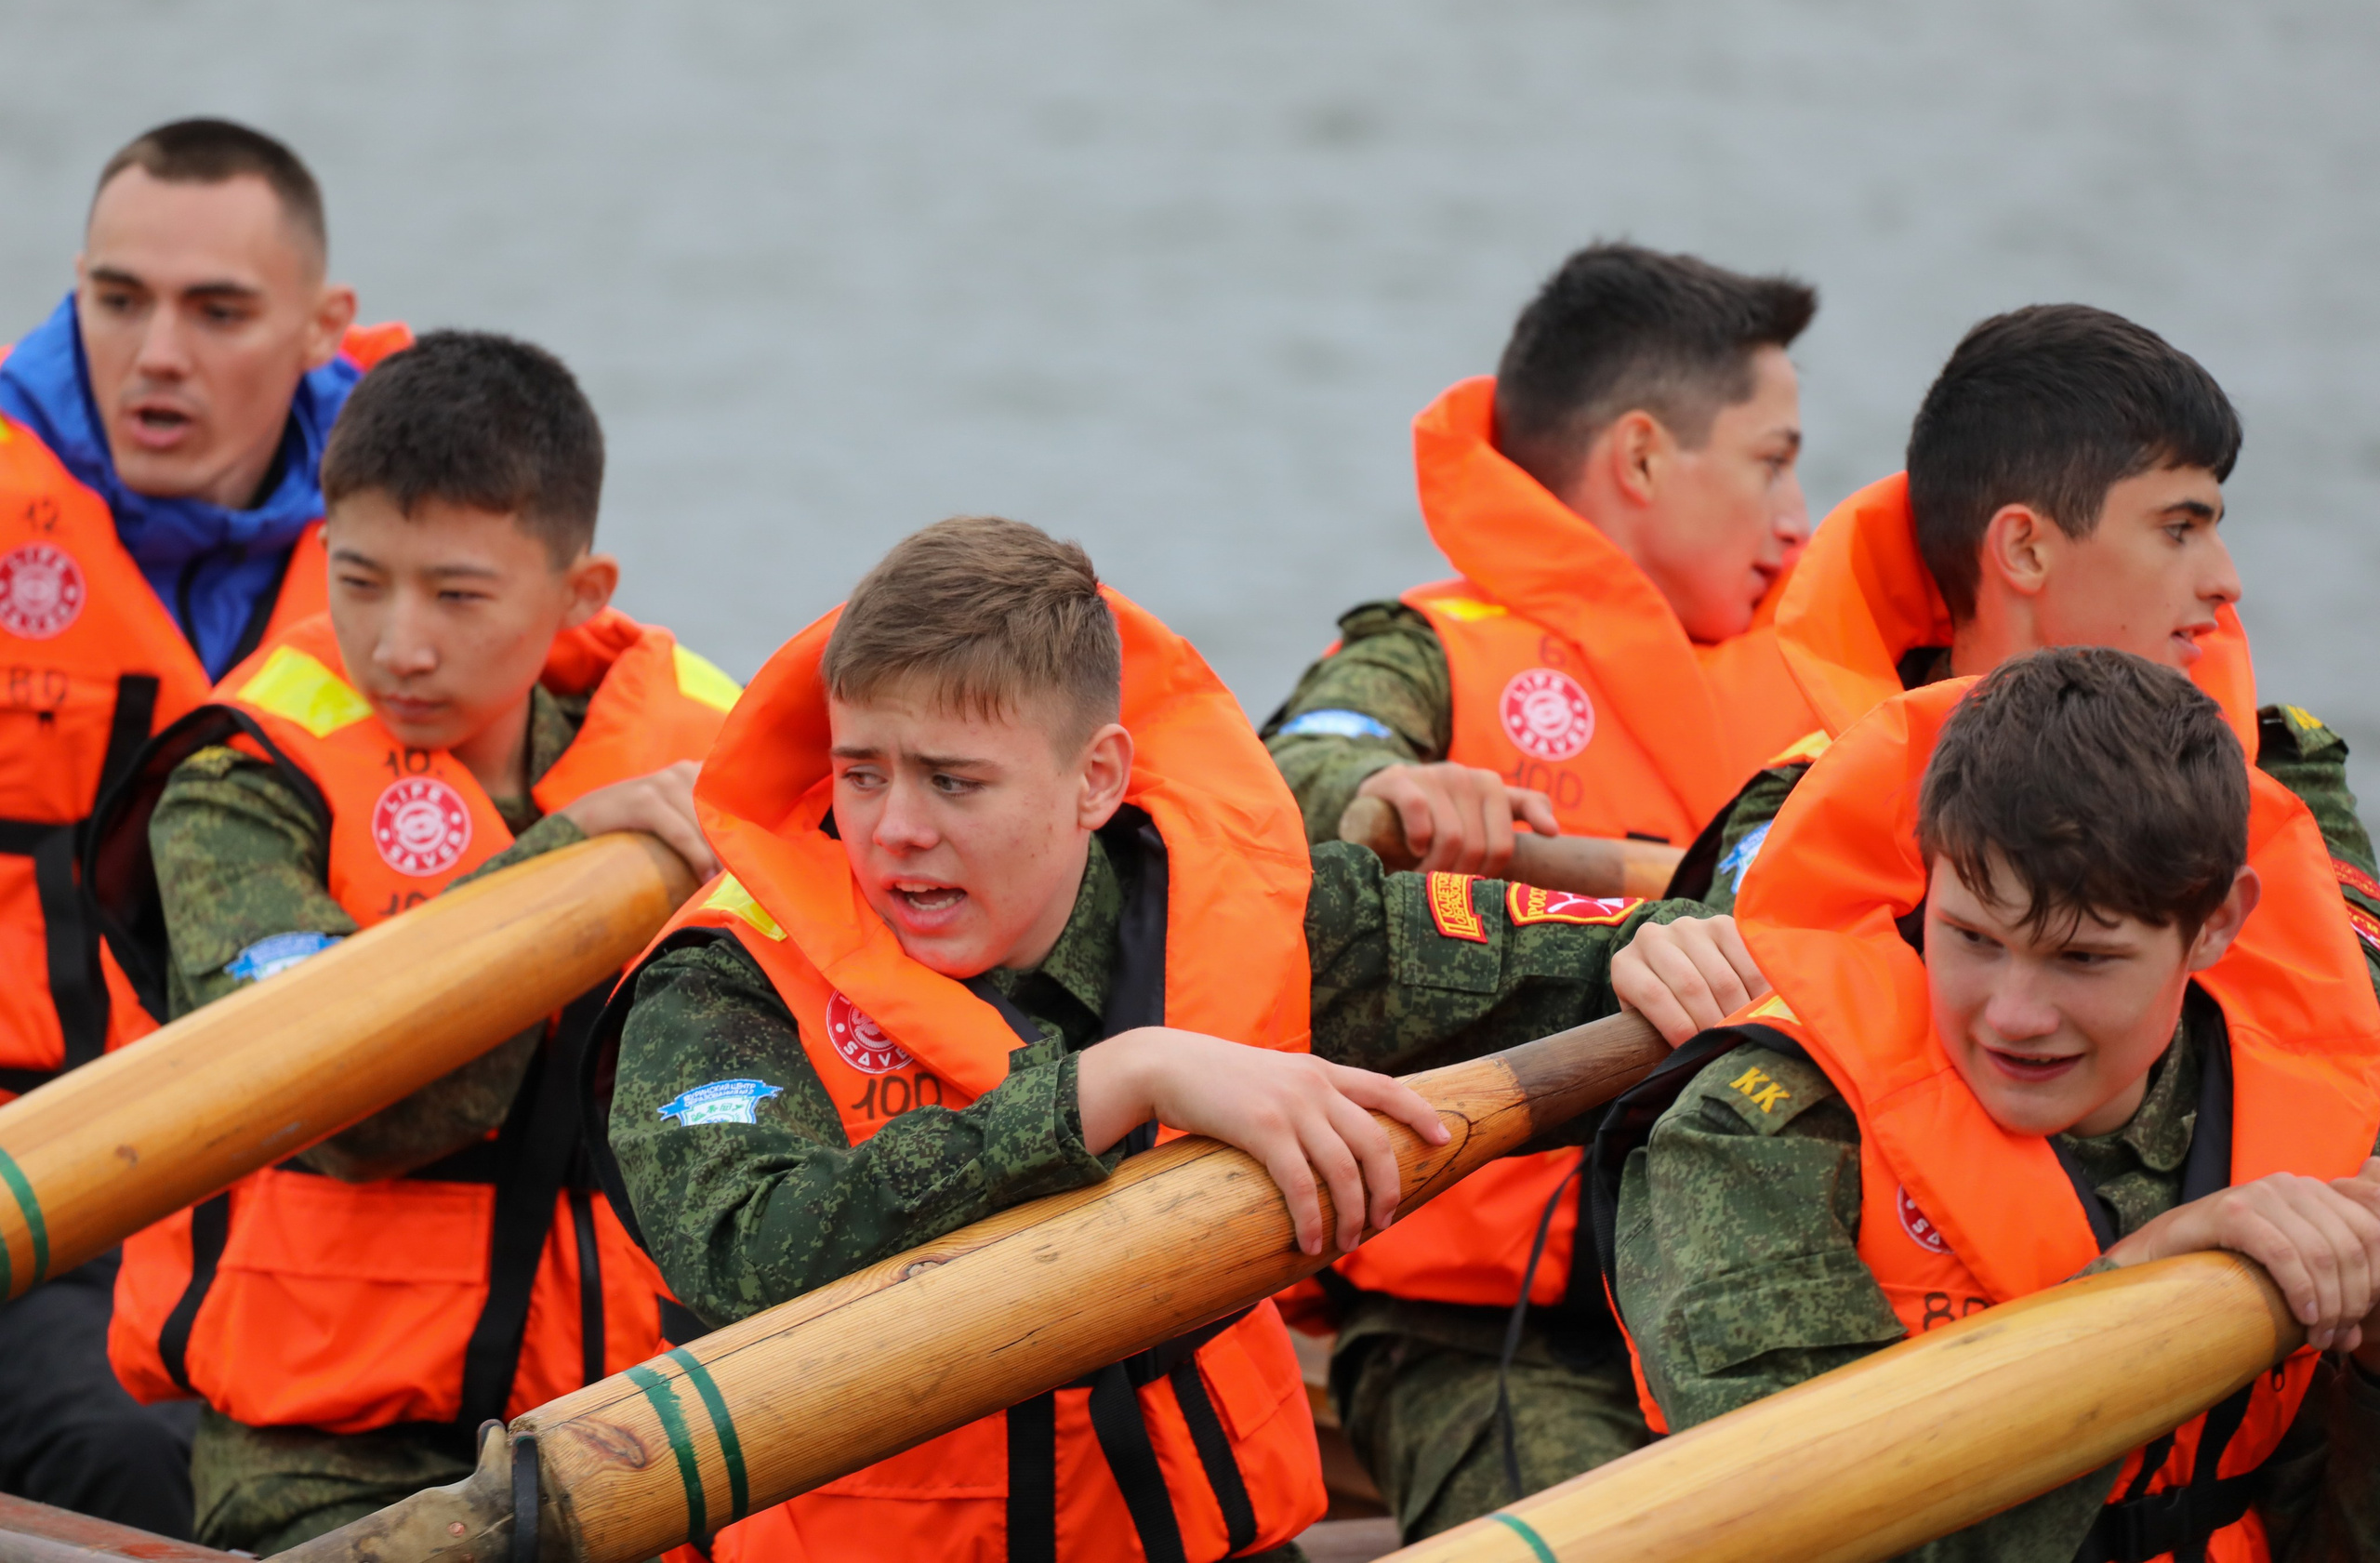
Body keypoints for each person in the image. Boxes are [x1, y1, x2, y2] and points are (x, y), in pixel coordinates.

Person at [586, 515, 1755, 1563]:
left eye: (953, 782)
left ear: (1096, 779)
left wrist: (1657, 950)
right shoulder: (724, 980)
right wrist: (1117, 1081)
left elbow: (1561, 955)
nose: (894, 830)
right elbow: (747, 1258)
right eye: (860, 775)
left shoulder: (1241, 907)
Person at [86, 331, 741, 1553]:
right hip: (318, 1456)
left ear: (582, 593)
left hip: (622, 1430)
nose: (398, 644)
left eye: (456, 594)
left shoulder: (706, 771)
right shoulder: (240, 785)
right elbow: (335, 1105)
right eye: (359, 580)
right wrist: (566, 863)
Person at [1256, 243, 1821, 1538]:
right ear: (1641, 459)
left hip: (1772, 1279)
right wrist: (1383, 796)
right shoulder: (1426, 651)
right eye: (1772, 460)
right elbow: (1300, 766)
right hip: (1492, 1331)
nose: (1798, 517)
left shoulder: (1830, 672)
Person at [1599, 647, 2380, 1561]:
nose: (2012, 1016)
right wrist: (2130, 1293)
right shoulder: (1751, 1142)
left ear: (2216, 922)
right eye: (1972, 937)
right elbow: (1802, 1530)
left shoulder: (2312, 1113)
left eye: (2082, 958)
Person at [0, 117, 407, 1537]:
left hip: (314, 1174)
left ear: (322, 327)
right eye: (117, 300)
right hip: (35, 1178)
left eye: (217, 311)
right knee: (132, 1451)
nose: (156, 353)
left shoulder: (436, 535)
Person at [1672, 306, 2379, 980]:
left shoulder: (2287, 781)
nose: (2228, 582)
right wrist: (1645, 941)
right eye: (2178, 530)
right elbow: (1738, 989)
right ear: (2025, 550)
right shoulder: (1808, 804)